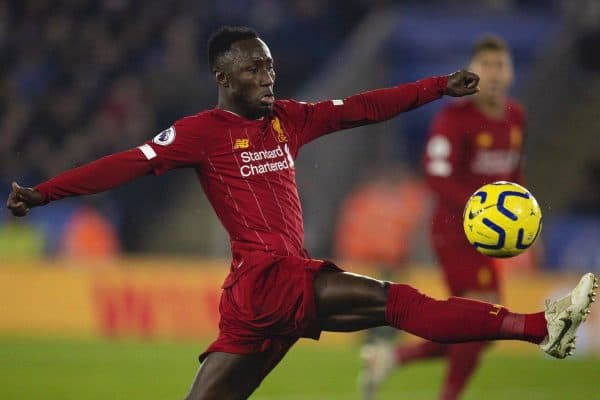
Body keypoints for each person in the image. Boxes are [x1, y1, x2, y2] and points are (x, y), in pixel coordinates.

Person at [6, 27, 596, 400]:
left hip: (263, 295)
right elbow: (123, 164)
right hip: (268, 281)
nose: (268, 76)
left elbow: (364, 107)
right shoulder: (200, 134)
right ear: (222, 77)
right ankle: (542, 327)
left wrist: (438, 85)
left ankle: (542, 329)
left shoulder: (288, 118)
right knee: (399, 302)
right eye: (253, 69)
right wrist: (44, 193)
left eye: (268, 65)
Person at [358, 35, 532, 400]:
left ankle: (392, 357)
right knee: (485, 314)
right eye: (486, 65)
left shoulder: (516, 117)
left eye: (501, 65)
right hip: (454, 230)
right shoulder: (455, 118)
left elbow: (513, 176)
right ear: (473, 72)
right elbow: (435, 175)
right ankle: (448, 395)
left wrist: (523, 218)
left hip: (491, 235)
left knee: (478, 329)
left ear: (511, 72)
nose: (495, 73)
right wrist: (480, 207)